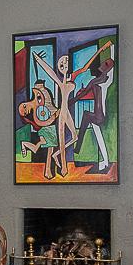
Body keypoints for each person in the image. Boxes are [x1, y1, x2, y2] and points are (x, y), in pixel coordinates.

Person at [31, 39, 113, 179]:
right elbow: (50, 72)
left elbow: (86, 66)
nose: (64, 65)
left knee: (74, 137)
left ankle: (57, 155)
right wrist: (39, 60)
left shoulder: (73, 76)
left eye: (66, 61)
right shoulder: (59, 80)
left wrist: (101, 50)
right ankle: (63, 167)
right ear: (59, 67)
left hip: (66, 111)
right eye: (61, 64)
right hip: (61, 112)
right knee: (62, 139)